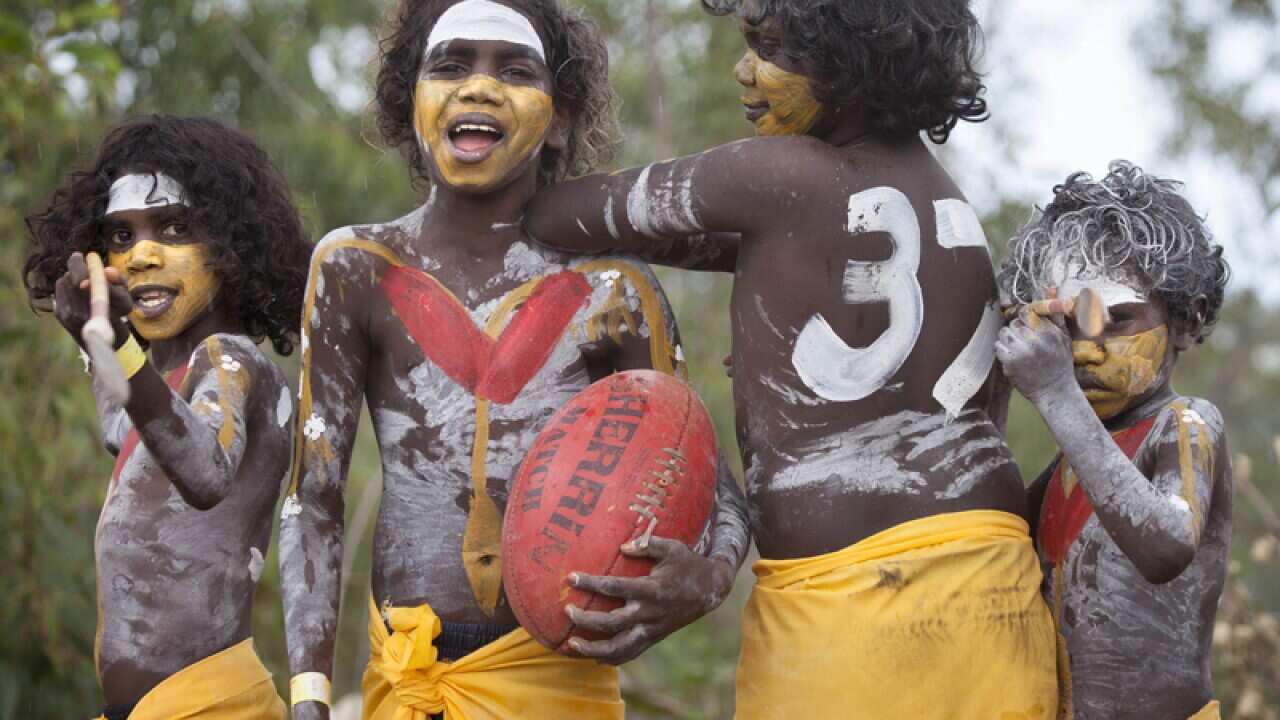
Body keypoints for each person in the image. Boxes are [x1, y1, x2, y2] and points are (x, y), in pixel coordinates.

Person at [522, 0, 1061, 717]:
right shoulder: (956, 214)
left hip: (840, 615)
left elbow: (556, 217)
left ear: (849, 54)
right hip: (995, 593)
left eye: (770, 47)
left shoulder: (779, 174)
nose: (744, 71)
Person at [277, 2, 750, 718]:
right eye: (450, 65)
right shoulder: (354, 269)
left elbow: (708, 477)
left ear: (557, 119)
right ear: (413, 101)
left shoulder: (612, 290)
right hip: (410, 681)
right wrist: (309, 696)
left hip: (558, 682)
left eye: (515, 70)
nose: (478, 87)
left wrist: (707, 578)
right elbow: (314, 496)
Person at [22, 114, 311, 720]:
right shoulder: (161, 384)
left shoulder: (231, 359)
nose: (144, 255)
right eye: (121, 237)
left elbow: (203, 470)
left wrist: (120, 351)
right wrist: (99, 337)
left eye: (175, 229)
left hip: (209, 705)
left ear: (234, 246)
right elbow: (121, 432)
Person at [997, 160, 1231, 720]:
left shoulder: (1187, 424)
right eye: (1068, 325)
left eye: (1116, 320)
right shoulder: (1069, 470)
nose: (1084, 350)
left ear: (1184, 319)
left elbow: (1167, 543)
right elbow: (988, 530)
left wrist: (1055, 393)